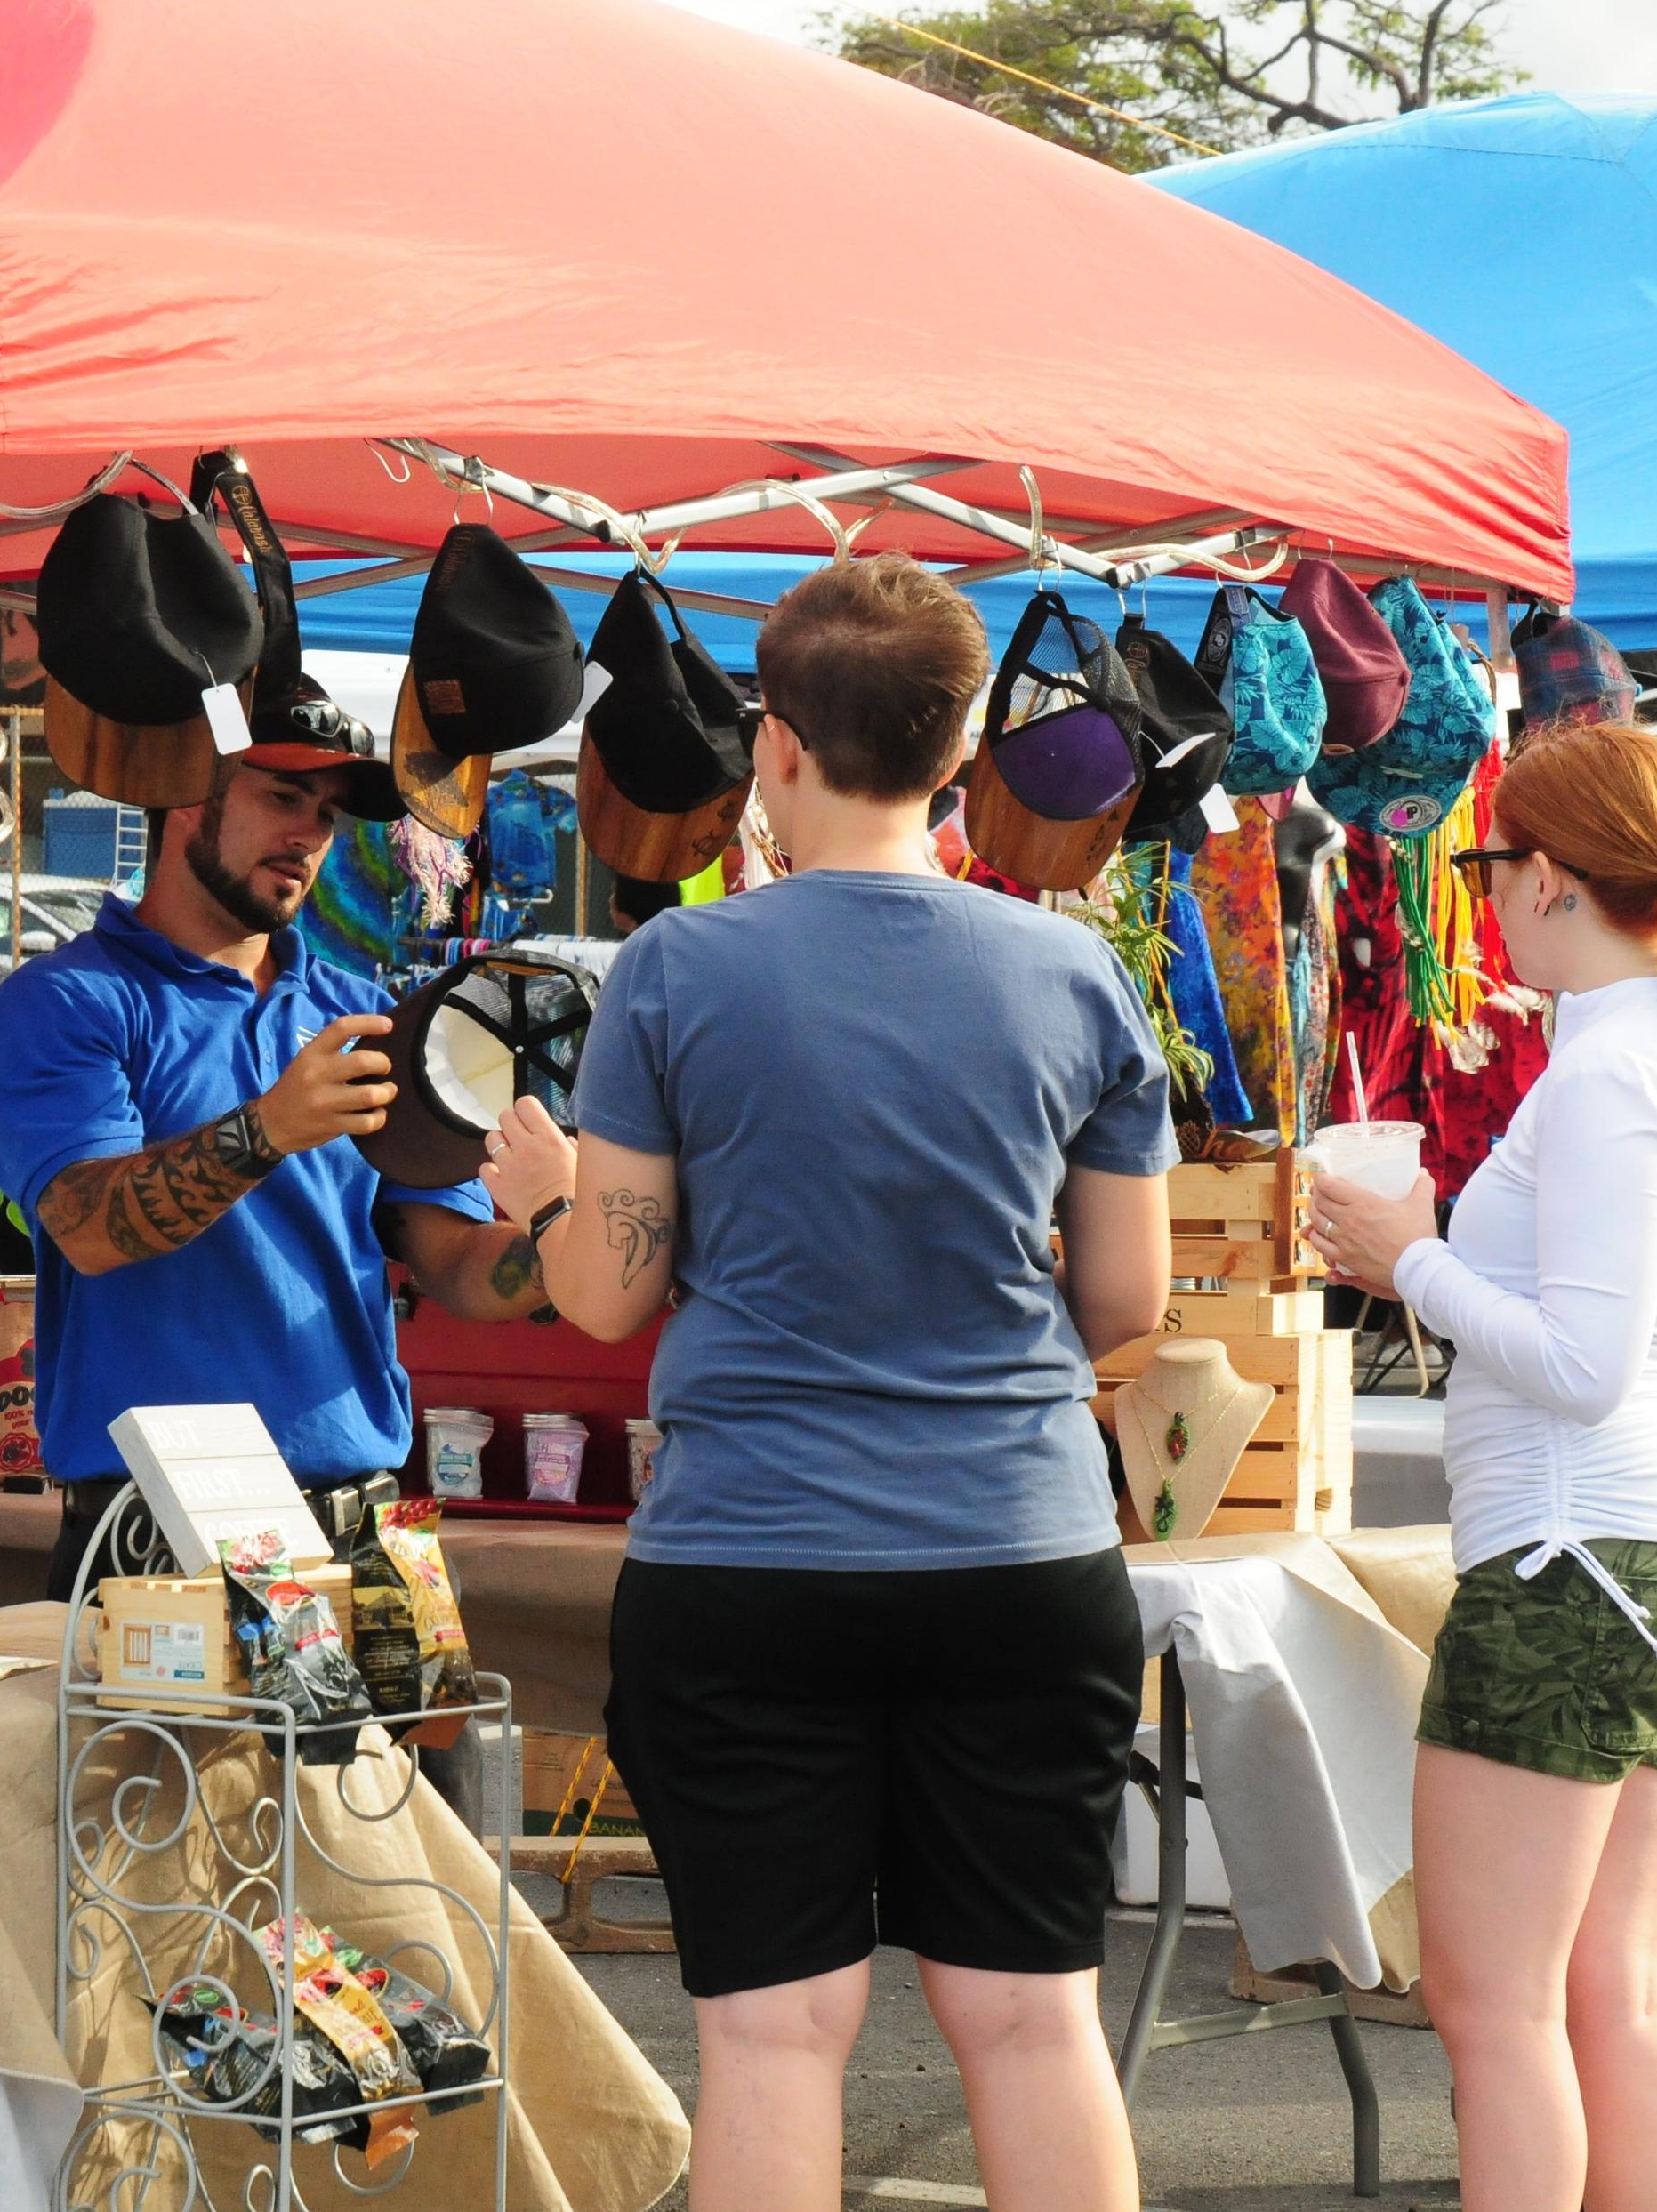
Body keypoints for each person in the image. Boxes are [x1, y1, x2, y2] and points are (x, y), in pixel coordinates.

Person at [480, 553, 1174, 2212]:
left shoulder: (676, 973)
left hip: (750, 1565)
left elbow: (609, 1296)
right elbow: (1128, 1304)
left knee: (777, 2033)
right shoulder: (1075, 976)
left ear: (772, 744)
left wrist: (550, 1195)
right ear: (960, 757)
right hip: (1015, 1549)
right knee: (1027, 2017)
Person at [1310, 721, 1657, 2212]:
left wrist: (1407, 1256)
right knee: (1610, 1991)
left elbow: (1579, 1366)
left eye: (1485, 869)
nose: (1480, 900)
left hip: (1580, 1563)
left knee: (1501, 2010)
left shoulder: (1616, 1070)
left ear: (1545, 876)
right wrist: (1423, 1249)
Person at [0, 696, 551, 1604]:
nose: (310, 836)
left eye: (325, 815)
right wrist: (271, 1127)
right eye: (283, 798)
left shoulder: (364, 1014)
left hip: (370, 1516)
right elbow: (89, 1227)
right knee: (192, 1757)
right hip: (161, 1529)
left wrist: (596, 1227)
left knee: (436, 1751)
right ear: (190, 797)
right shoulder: (64, 1003)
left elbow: (461, 1267)